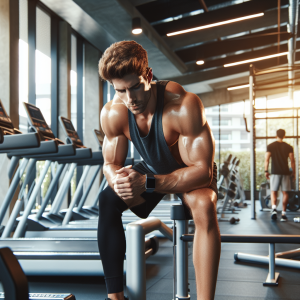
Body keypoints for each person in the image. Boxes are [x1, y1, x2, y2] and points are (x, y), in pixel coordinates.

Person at [97, 40, 220, 300]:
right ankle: (115, 297)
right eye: (120, 91)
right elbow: (110, 164)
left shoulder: (183, 105)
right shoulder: (113, 113)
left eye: (134, 88)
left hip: (190, 172)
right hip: (151, 169)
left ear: (149, 76)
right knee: (107, 199)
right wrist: (116, 180)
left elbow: (202, 172)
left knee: (204, 204)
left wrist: (147, 183)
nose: (130, 99)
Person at [265, 129, 295, 222]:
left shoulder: (270, 146)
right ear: (284, 136)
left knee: (273, 191)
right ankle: (283, 214)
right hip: (285, 172)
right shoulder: (289, 147)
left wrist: (266, 170)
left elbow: (267, 159)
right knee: (285, 193)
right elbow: (292, 161)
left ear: (276, 135)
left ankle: (274, 209)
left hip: (275, 172)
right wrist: (293, 172)